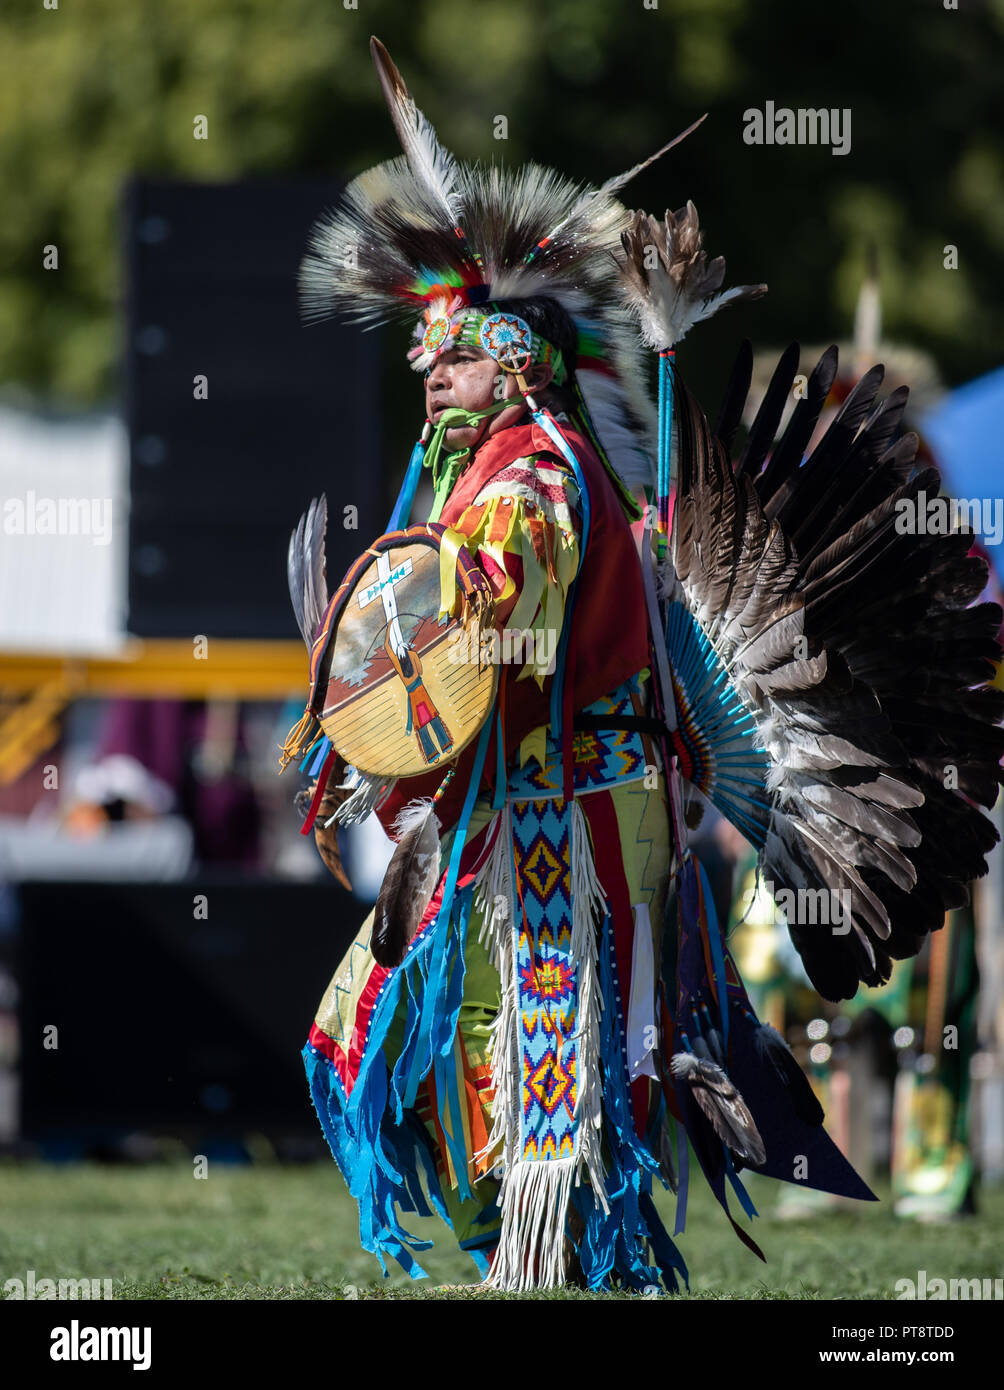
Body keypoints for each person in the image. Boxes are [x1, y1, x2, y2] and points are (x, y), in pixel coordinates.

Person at [281, 39, 1004, 1293]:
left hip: (579, 798)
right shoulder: (481, 476)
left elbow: (493, 613)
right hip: (520, 796)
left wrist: (413, 660)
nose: (421, 365)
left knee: (558, 1039)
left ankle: (556, 1244)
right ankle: (523, 1225)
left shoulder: (531, 477)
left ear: (515, 357)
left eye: (449, 348)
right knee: (413, 1022)